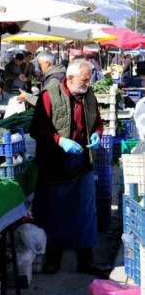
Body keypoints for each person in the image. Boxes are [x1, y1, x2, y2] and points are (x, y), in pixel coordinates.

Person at [29, 59, 106, 277]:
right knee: (55, 214)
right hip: (55, 164)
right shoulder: (49, 95)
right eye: (83, 80)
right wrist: (59, 141)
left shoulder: (88, 95)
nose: (87, 84)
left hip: (83, 162)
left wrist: (97, 134)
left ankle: (86, 261)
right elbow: (37, 129)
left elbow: (98, 121)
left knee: (85, 213)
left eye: (89, 80)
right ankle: (53, 259)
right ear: (69, 78)